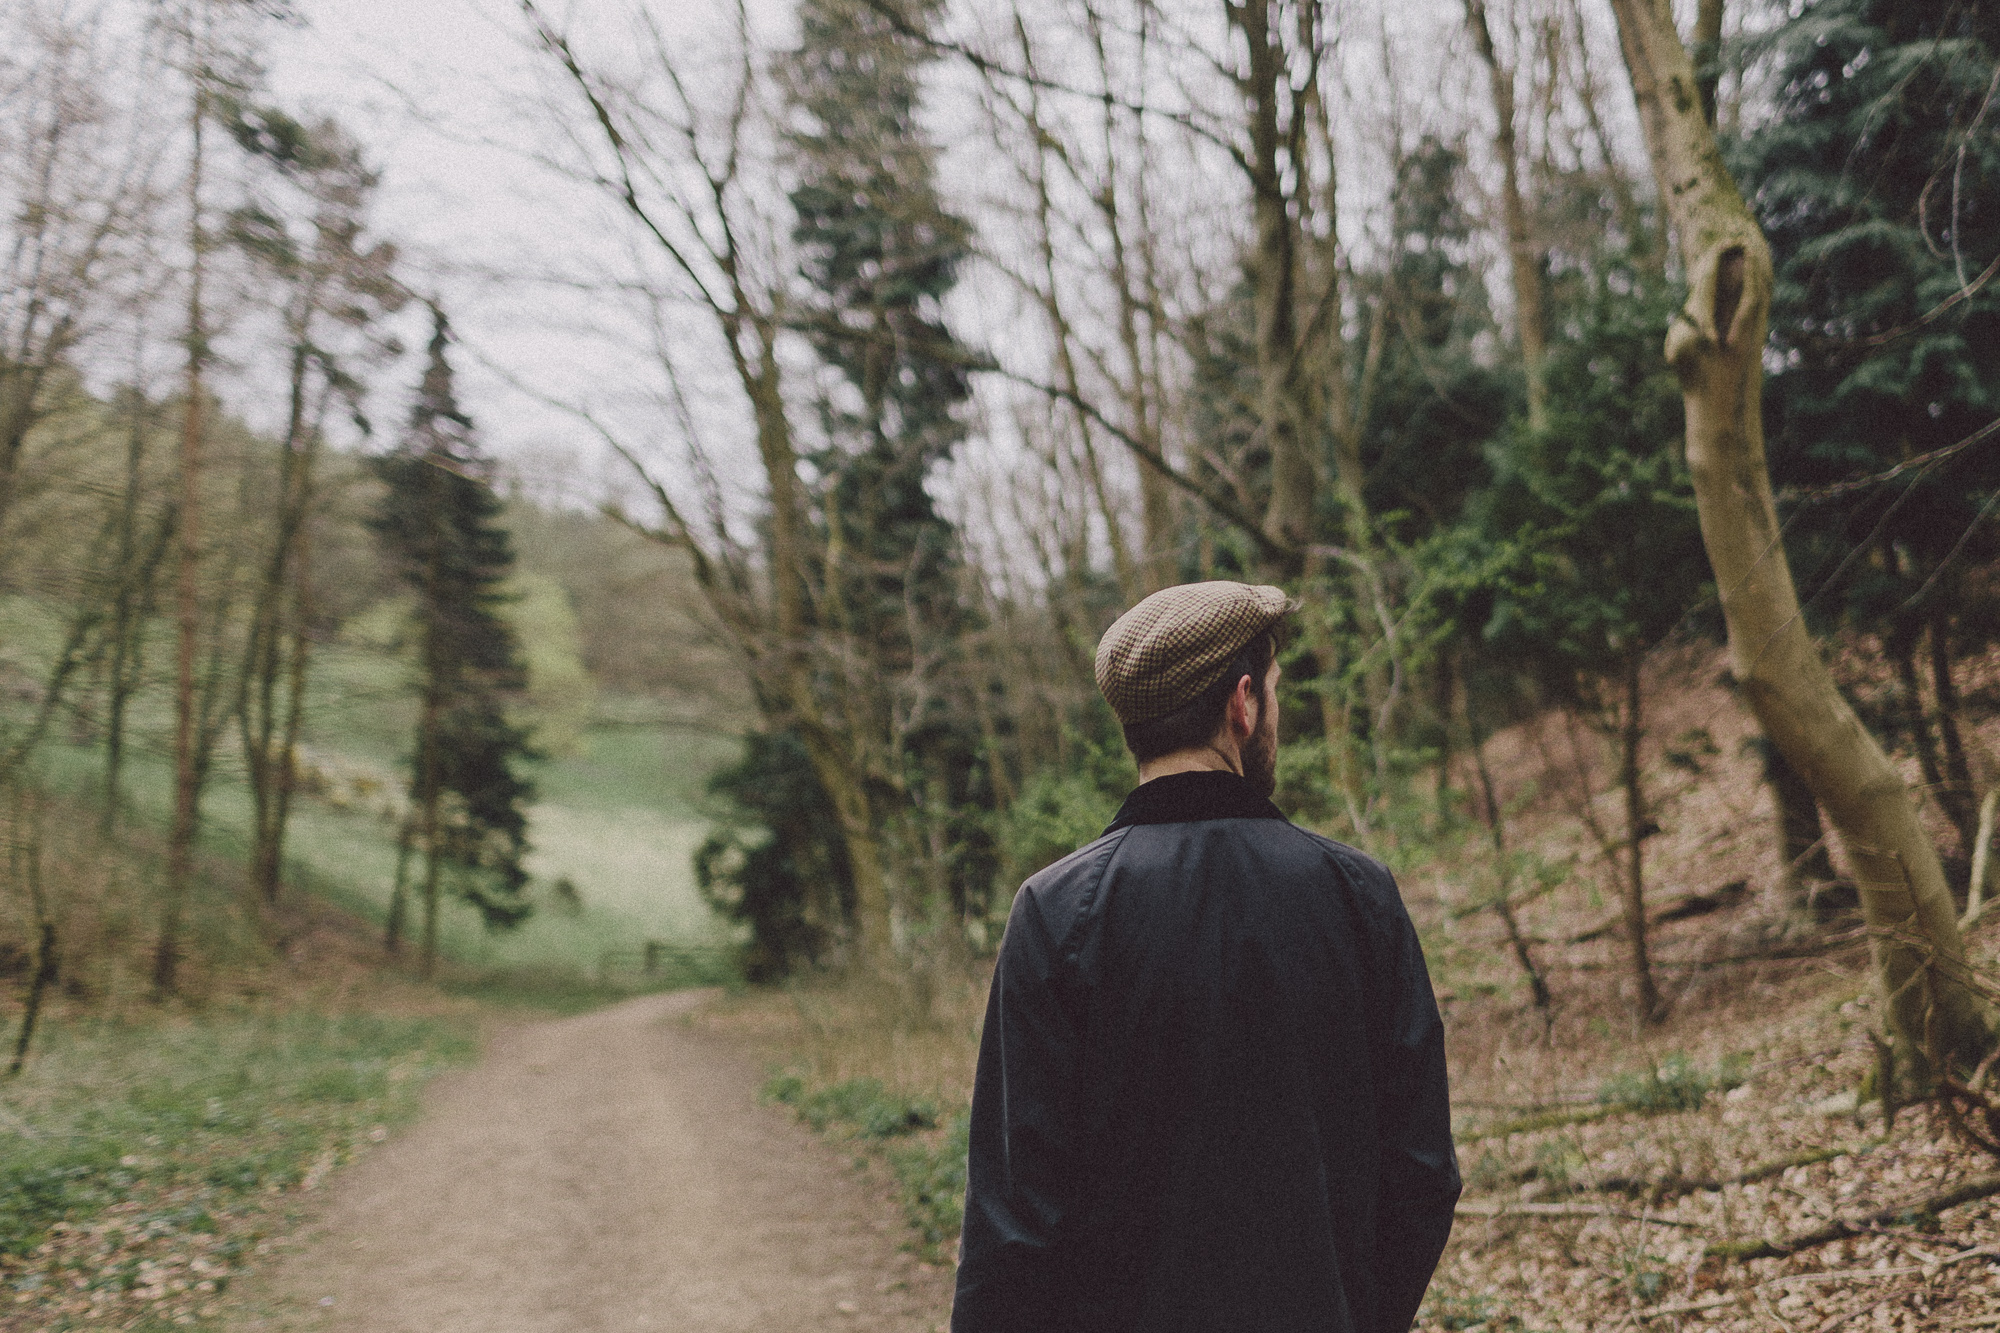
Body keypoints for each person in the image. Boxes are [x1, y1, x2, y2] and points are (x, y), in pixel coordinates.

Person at [951, 580, 1460, 1333]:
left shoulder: (1056, 913)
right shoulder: (1358, 894)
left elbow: (1012, 1220)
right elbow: (1421, 1173)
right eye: (1275, 691)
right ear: (1242, 704)